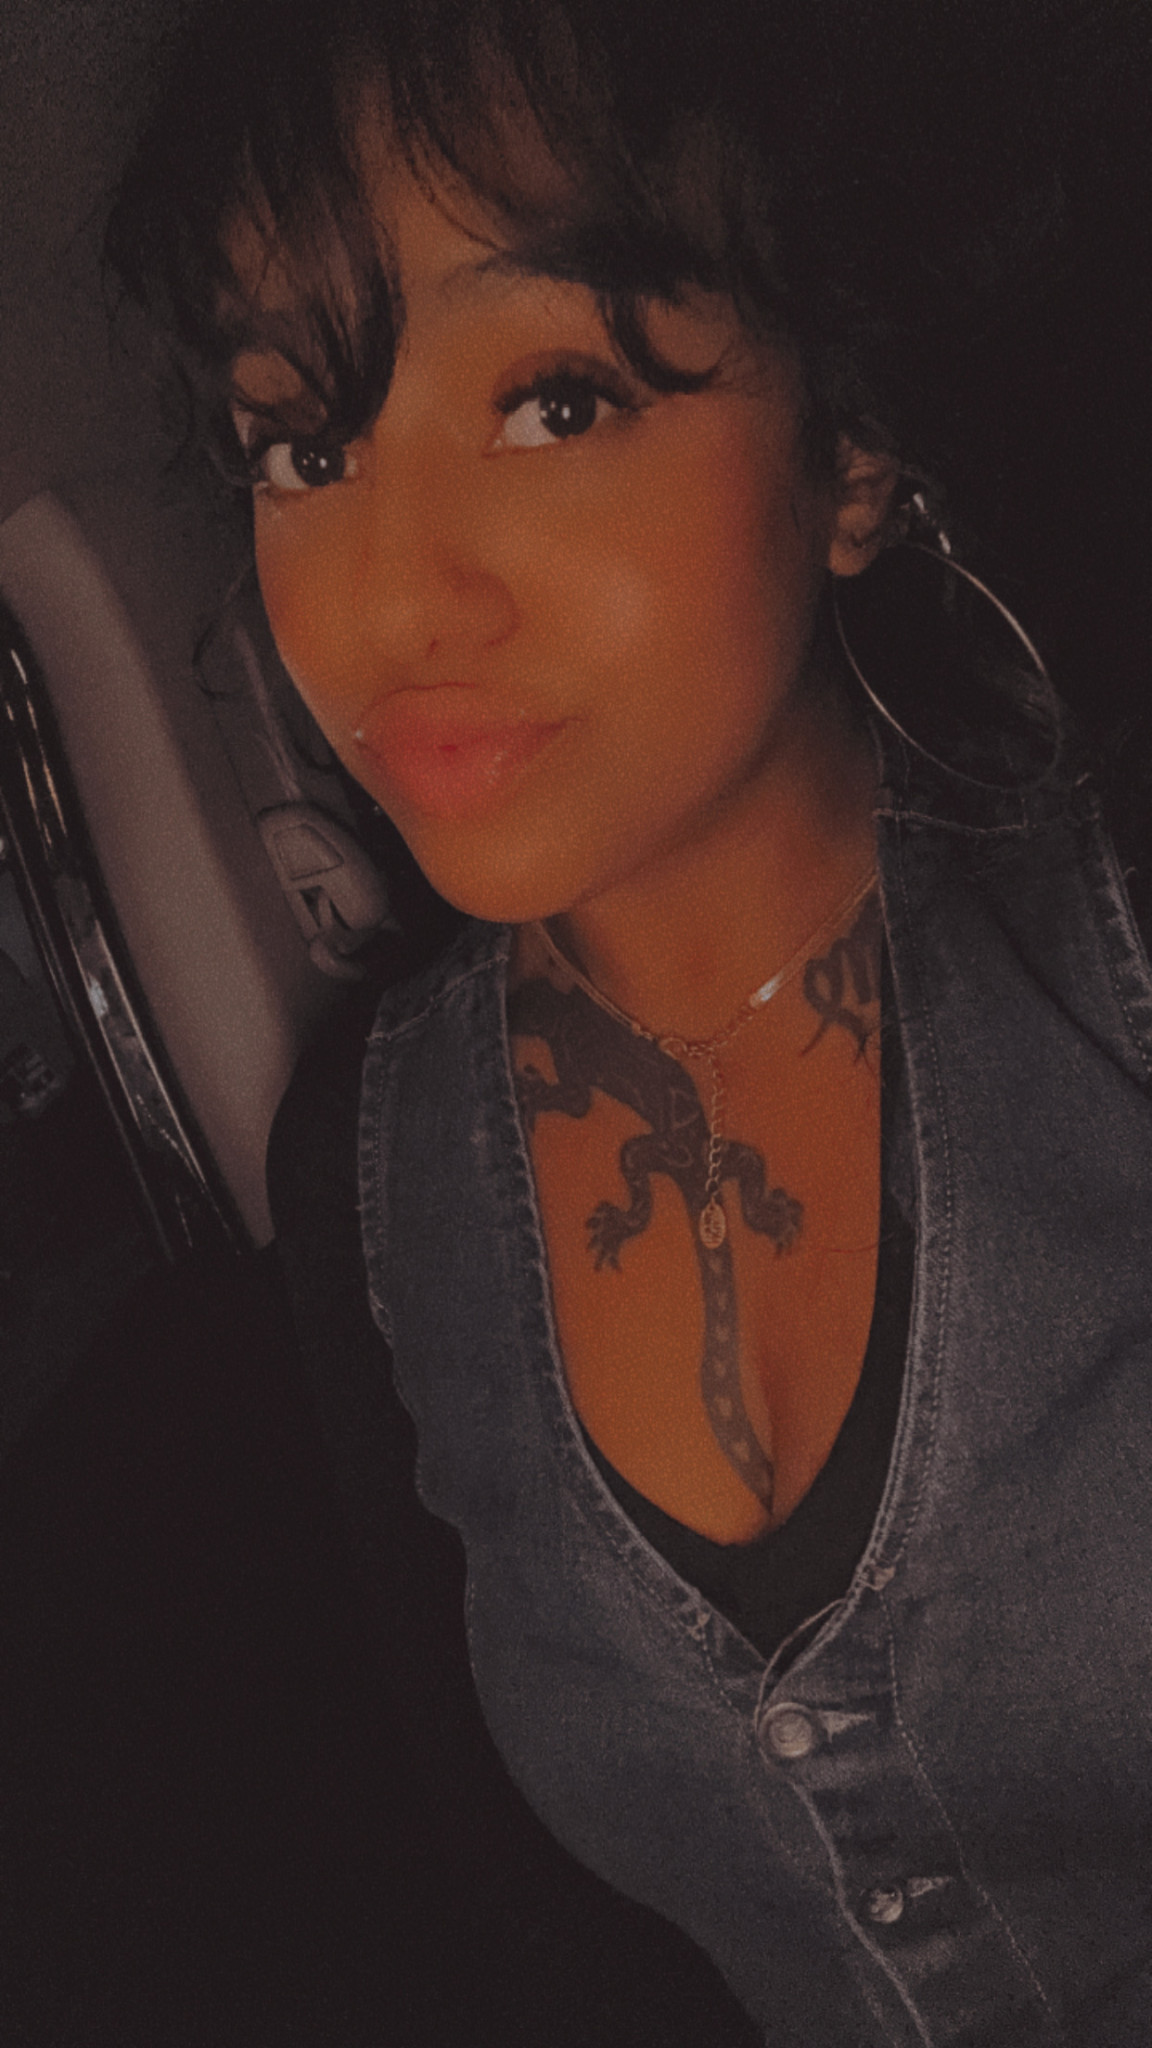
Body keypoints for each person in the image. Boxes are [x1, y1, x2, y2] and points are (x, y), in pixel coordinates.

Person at [105, 1, 1152, 2041]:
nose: (391, 600)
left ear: (851, 449)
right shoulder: (367, 1183)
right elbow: (556, 1946)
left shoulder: (1109, 933)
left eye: (555, 402)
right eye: (304, 446)